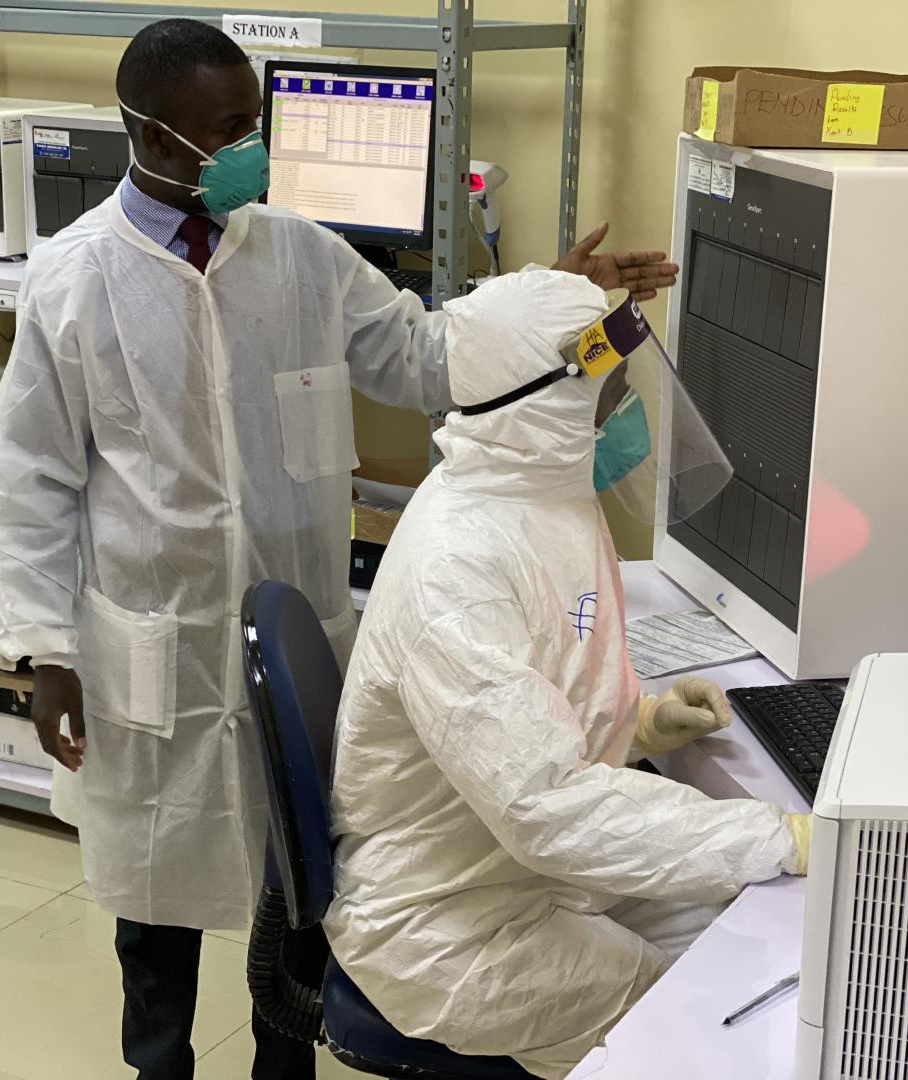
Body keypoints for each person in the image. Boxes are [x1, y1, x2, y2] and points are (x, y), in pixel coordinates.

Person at [0, 19, 678, 1080]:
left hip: (298, 640)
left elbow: (423, 352)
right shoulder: (73, 282)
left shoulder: (295, 253)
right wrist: (40, 652)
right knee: (156, 916)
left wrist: (549, 308)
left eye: (256, 124)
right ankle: (156, 1066)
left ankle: (282, 1066)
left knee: (301, 896)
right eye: (231, 131)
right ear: (154, 137)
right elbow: (27, 479)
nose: (254, 149)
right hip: (154, 655)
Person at [324, 267, 811, 1080]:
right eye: (610, 391)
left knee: (759, 939)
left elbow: (539, 693)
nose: (626, 412)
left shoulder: (544, 493)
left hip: (522, 865)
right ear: (544, 403)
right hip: (445, 920)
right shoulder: (458, 567)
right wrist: (782, 834)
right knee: (706, 1032)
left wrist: (641, 720)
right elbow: (545, 808)